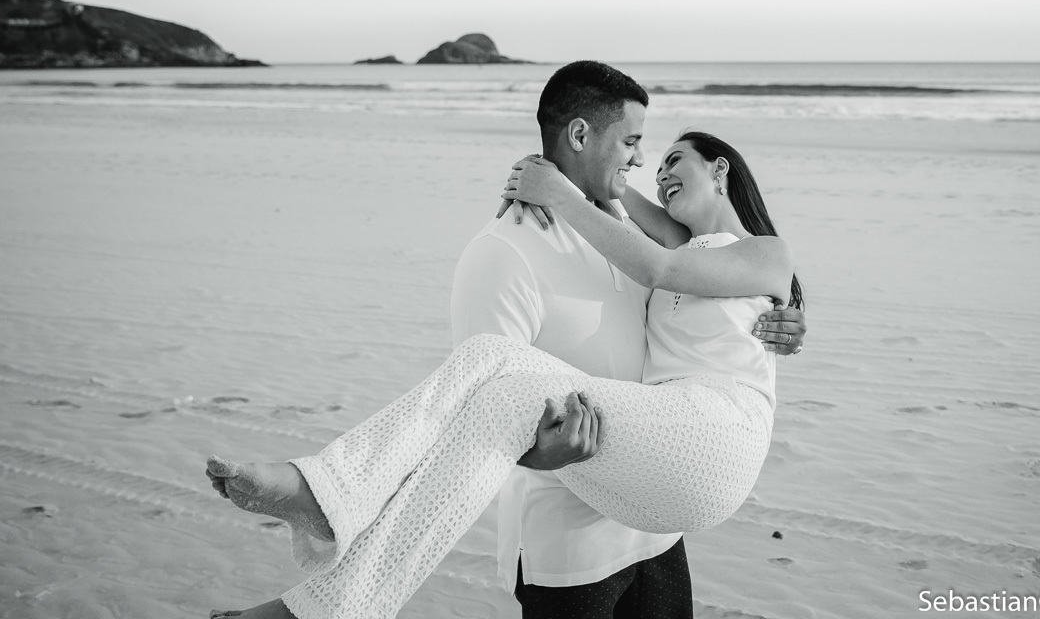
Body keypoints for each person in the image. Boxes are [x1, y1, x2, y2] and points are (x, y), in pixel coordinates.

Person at [206, 61, 806, 619]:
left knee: (494, 368)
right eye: (635, 146)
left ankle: (328, 496)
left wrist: (791, 321)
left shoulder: (718, 252)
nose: (651, 165)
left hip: (693, 470)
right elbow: (473, 428)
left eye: (673, 158)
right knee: (492, 371)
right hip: (591, 525)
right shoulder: (520, 250)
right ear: (578, 136)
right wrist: (548, 173)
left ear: (721, 169)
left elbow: (666, 270)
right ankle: (323, 581)